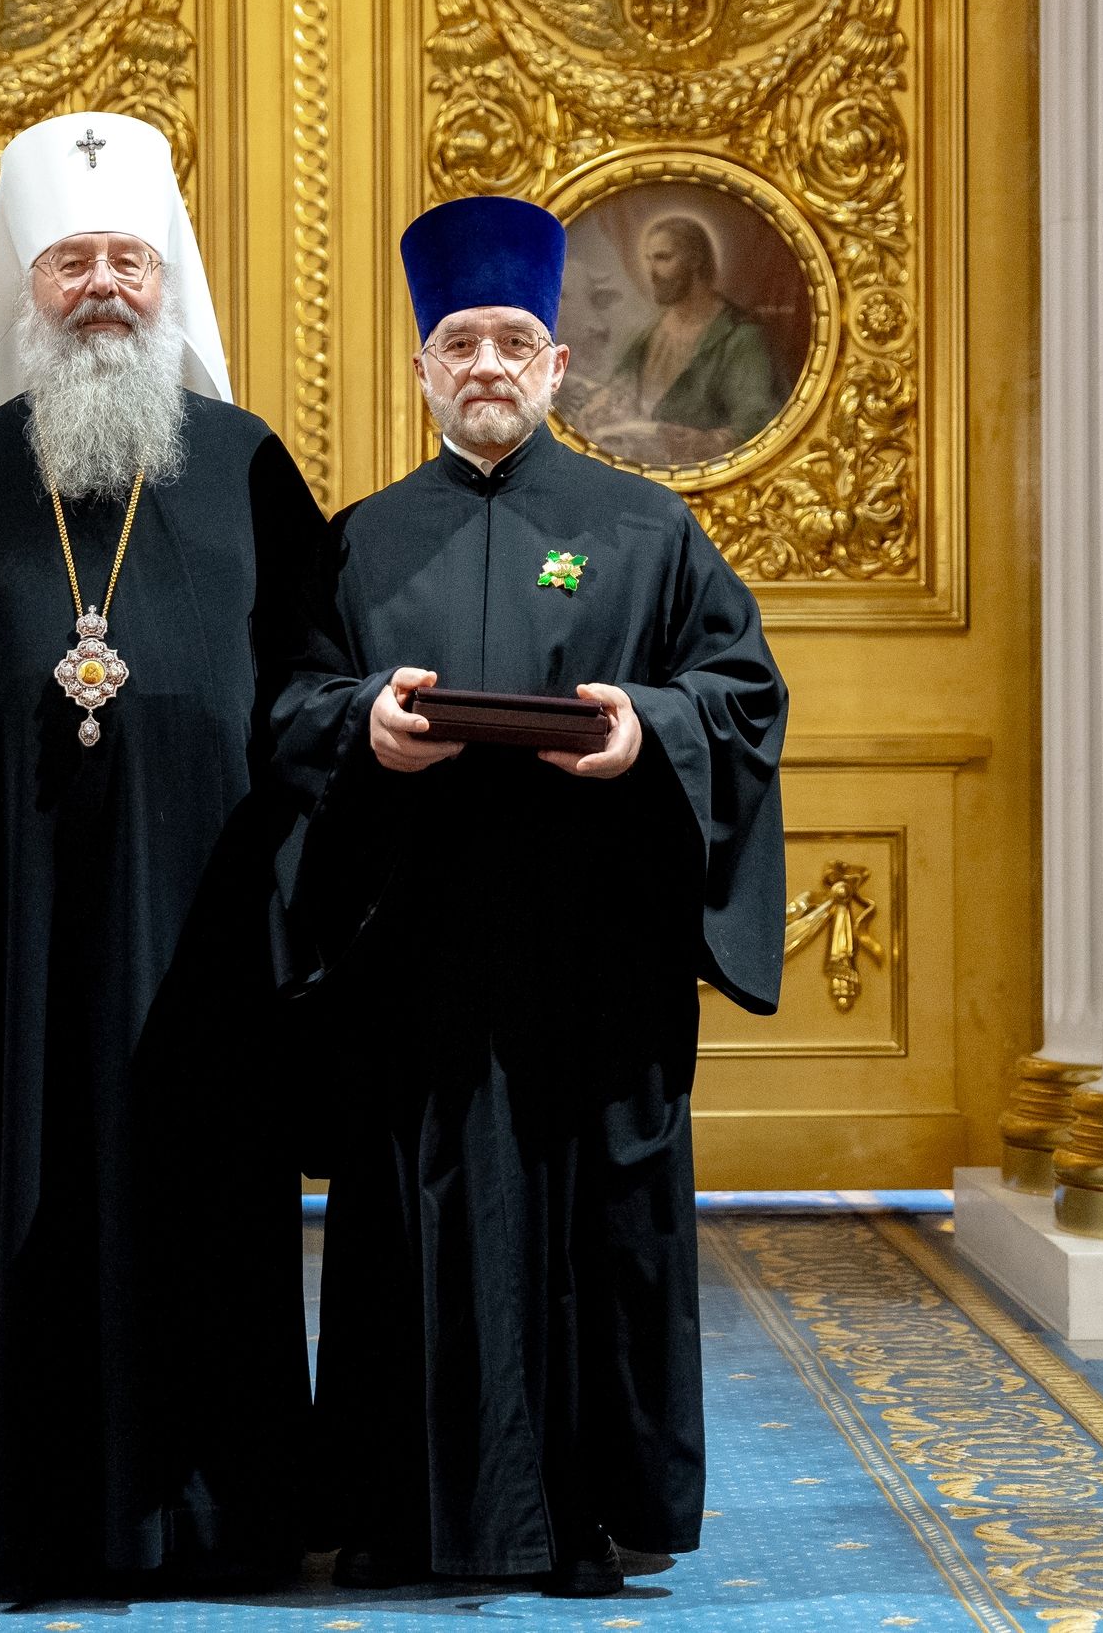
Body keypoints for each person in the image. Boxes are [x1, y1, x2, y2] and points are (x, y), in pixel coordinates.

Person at [0, 111, 322, 1602]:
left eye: (127, 261)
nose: (102, 286)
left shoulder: (247, 467)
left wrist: (297, 918)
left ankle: (220, 1523)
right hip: (8, 965)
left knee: (201, 1215)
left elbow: (315, 699)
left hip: (201, 952)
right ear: (22, 287)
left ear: (167, 282)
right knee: (20, 1208)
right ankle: (13, 1516)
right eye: (71, 262)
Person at [272, 194, 788, 1598]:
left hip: (593, 956)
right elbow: (292, 705)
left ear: (558, 364)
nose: (487, 365)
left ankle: (593, 1512)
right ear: (423, 369)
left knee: (593, 1234)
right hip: (415, 957)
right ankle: (398, 1508)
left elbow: (741, 697)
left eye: (513, 341)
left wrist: (647, 730)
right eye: (460, 343)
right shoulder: (357, 541)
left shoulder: (648, 528)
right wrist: (363, 722)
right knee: (411, 1225)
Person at [605, 215, 785, 458]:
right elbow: (617, 393)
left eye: (663, 258)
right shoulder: (650, 333)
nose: (652, 272)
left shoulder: (740, 336)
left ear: (696, 260)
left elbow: (757, 422)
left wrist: (707, 442)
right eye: (649, 259)